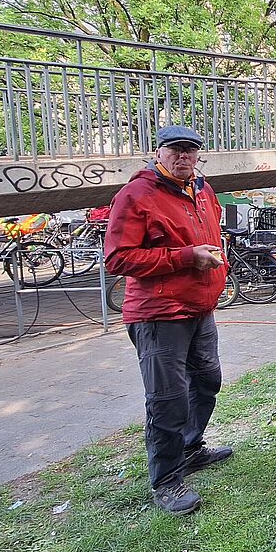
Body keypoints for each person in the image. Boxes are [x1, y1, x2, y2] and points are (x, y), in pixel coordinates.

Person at [104, 126, 231, 516]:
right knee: (168, 400)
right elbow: (117, 259)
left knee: (208, 382)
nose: (184, 157)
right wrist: (185, 256)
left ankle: (191, 448)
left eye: (191, 151)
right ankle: (166, 480)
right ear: (158, 153)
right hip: (159, 315)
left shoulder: (204, 191)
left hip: (199, 309)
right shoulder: (136, 195)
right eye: (176, 150)